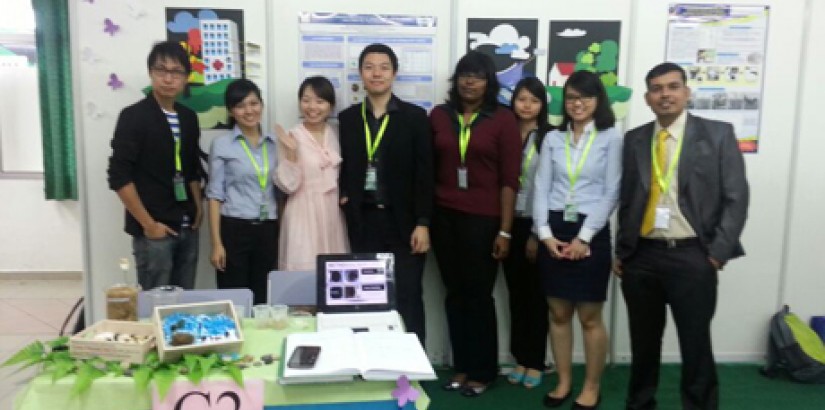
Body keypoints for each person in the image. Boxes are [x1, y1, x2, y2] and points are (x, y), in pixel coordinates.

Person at [614, 62, 749, 410]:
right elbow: (627, 200)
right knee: (643, 342)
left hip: (693, 255)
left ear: (686, 92)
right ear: (647, 98)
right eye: (657, 89)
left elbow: (736, 198)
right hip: (642, 256)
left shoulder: (717, 134)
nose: (665, 95)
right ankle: (640, 402)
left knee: (695, 342)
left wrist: (717, 252)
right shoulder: (635, 139)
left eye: (673, 87)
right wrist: (623, 250)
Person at [430, 50, 521, 397]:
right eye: (464, 74)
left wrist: (505, 230)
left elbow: (509, 179)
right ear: (456, 80)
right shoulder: (439, 116)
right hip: (444, 217)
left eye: (478, 75)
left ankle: (483, 370)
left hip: (484, 220)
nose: (470, 81)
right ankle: (462, 367)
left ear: (489, 82)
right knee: (454, 294)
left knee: (479, 295)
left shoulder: (502, 119)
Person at [533, 70, 621, 409]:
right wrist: (544, 234)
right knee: (558, 314)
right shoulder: (553, 138)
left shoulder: (611, 137)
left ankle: (592, 386)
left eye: (584, 96)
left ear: (598, 100)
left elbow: (612, 190)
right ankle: (564, 381)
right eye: (570, 97)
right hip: (555, 228)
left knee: (589, 317)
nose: (577, 103)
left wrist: (585, 237)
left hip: (591, 230)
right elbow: (542, 186)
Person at [338, 44, 433, 344]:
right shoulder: (348, 119)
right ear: (360, 73)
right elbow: (341, 164)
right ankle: (371, 362)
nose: (376, 73)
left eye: (383, 67)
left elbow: (425, 174)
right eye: (369, 66)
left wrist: (423, 222)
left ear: (394, 73)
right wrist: (344, 194)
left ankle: (413, 369)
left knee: (407, 297)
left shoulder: (415, 118)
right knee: (366, 298)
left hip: (403, 223)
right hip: (363, 221)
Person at [107, 41, 202, 291]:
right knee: (154, 307)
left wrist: (198, 208)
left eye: (176, 72)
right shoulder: (133, 117)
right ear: (151, 73)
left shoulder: (188, 117)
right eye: (161, 71)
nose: (168, 79)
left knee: (184, 303)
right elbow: (119, 177)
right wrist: (149, 225)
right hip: (154, 230)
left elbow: (191, 167)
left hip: (187, 225)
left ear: (186, 78)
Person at [206, 79, 278, 305]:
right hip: (235, 229)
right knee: (234, 297)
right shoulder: (222, 144)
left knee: (263, 297)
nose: (249, 111)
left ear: (262, 105)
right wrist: (217, 244)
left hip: (268, 230)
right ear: (231, 111)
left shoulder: (276, 144)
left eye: (254, 103)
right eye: (240, 106)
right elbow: (215, 196)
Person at [502, 77, 552, 389]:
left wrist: (537, 233)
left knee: (536, 297)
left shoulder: (549, 137)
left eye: (533, 100)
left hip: (536, 225)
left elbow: (549, 188)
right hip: (508, 223)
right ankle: (520, 358)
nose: (526, 106)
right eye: (521, 99)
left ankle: (536, 361)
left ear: (542, 105)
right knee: (515, 295)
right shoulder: (505, 134)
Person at [274, 76, 348, 271]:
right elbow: (288, 186)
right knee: (303, 276)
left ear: (330, 106)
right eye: (306, 100)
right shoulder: (291, 135)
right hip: (302, 213)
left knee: (333, 279)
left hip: (332, 213)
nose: (312, 107)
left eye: (319, 101)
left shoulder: (338, 134)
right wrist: (291, 153)